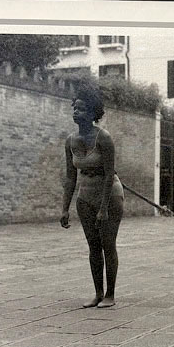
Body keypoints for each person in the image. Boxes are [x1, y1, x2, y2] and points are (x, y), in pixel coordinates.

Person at [60, 83, 124, 308]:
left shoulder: (104, 138)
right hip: (85, 197)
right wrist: (64, 208)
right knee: (93, 246)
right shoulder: (70, 141)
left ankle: (110, 295)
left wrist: (104, 208)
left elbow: (109, 174)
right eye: (75, 108)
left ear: (93, 113)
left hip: (109, 195)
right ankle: (98, 293)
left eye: (82, 109)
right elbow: (70, 178)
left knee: (108, 244)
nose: (76, 112)